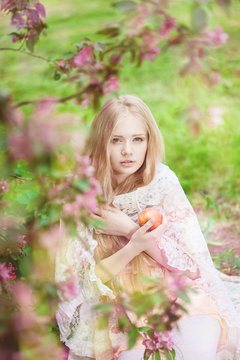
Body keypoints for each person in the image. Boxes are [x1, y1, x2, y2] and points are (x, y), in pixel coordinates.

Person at [55, 95, 240, 360]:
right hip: (117, 307)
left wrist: (129, 229)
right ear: (100, 142)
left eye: (137, 139)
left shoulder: (161, 180)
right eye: (116, 140)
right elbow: (82, 281)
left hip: (171, 295)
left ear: (148, 142)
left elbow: (190, 266)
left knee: (199, 349)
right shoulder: (81, 193)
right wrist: (133, 247)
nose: (128, 151)